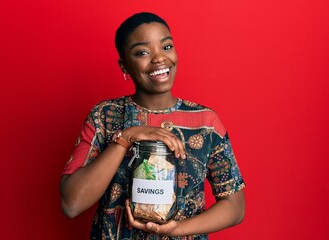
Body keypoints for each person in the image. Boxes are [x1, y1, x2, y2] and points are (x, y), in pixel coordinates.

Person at [60, 12, 246, 240]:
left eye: (166, 47)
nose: (159, 58)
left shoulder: (205, 123)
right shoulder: (105, 116)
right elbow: (72, 203)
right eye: (143, 52)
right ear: (124, 66)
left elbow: (235, 207)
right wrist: (127, 137)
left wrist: (177, 228)